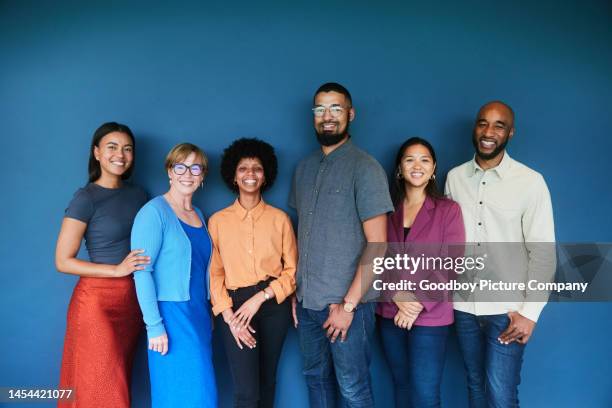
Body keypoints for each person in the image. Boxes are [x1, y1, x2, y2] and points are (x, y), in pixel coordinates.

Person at [289, 82, 394, 408]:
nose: (327, 116)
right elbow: (304, 233)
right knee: (316, 382)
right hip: (308, 304)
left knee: (353, 389)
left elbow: (379, 244)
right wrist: (298, 290)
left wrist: (348, 306)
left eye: (335, 108)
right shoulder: (304, 168)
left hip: (349, 306)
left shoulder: (365, 168)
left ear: (350, 114)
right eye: (320, 109)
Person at [445, 101, 555, 408]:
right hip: (464, 308)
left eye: (498, 125)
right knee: (476, 388)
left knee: (500, 395)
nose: (488, 132)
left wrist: (530, 314)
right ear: (475, 128)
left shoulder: (531, 183)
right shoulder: (454, 178)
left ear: (510, 132)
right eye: (483, 123)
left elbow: (543, 254)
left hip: (507, 312)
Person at [55, 122, 148, 408]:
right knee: (102, 389)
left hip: (132, 303)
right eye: (112, 147)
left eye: (127, 148)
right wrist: (116, 270)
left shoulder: (139, 195)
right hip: (96, 304)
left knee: (113, 383)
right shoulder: (85, 198)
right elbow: (62, 261)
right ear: (96, 153)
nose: (120, 154)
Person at [376, 137, 465, 408]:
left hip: (430, 315)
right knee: (401, 388)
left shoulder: (448, 210)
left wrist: (415, 303)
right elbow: (375, 258)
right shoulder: (385, 210)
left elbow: (451, 264)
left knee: (425, 396)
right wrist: (396, 297)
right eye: (409, 159)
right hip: (390, 314)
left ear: (434, 168)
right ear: (400, 168)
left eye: (424, 159)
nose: (417, 165)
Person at [209, 138, 297, 408]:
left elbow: (292, 271)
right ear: (233, 176)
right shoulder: (218, 221)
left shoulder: (279, 219)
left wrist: (260, 297)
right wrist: (229, 316)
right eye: (243, 168)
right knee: (246, 391)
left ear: (265, 174)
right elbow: (214, 274)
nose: (250, 174)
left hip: (272, 304)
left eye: (257, 168)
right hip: (234, 309)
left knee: (267, 381)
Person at [131, 143, 217, 408]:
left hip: (199, 315)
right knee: (179, 396)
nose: (187, 173)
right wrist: (154, 326)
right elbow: (141, 272)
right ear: (169, 171)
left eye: (195, 167)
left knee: (202, 396)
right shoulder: (153, 212)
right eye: (180, 166)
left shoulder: (199, 215)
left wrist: (210, 311)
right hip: (170, 316)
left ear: (202, 176)